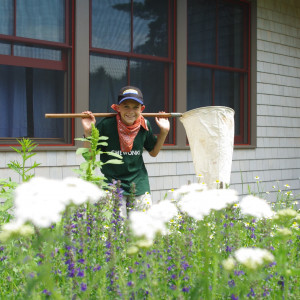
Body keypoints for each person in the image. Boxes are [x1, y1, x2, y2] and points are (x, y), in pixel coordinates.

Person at [81, 86, 170, 217]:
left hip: (139, 184)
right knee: (115, 231)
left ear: (142, 109)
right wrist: (88, 132)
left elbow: (153, 152)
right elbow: (89, 156)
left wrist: (164, 132)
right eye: (126, 106)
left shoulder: (144, 125)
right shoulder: (107, 125)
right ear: (117, 108)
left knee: (142, 228)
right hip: (111, 185)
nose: (131, 111)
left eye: (136, 107)